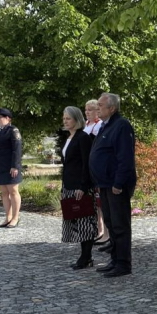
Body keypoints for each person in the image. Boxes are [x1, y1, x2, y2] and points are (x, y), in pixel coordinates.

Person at [89, 92, 137, 278]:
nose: (97, 108)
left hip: (116, 185)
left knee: (120, 225)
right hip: (105, 183)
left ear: (112, 108)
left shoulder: (121, 126)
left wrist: (119, 182)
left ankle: (124, 263)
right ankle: (115, 260)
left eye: (101, 105)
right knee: (110, 222)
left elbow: (125, 158)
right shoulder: (106, 126)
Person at [59, 106, 100, 269]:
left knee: (85, 223)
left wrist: (83, 186)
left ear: (77, 119)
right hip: (69, 185)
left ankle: (86, 257)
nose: (65, 121)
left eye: (68, 118)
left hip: (80, 187)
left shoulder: (83, 138)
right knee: (75, 221)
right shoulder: (69, 137)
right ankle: (84, 256)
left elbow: (86, 164)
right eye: (64, 118)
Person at [0, 108, 23, 228]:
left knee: (13, 191)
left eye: (1, 117)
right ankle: (8, 217)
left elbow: (17, 149)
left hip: (11, 166)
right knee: (4, 192)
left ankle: (15, 217)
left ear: (8, 119)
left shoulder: (13, 130)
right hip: (0, 165)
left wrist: (15, 166)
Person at [83, 97, 108, 243]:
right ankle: (99, 229)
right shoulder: (86, 124)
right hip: (87, 165)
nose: (87, 112)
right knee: (94, 201)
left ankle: (105, 231)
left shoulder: (98, 126)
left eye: (90, 110)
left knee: (101, 201)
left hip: (96, 166)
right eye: (86, 110)